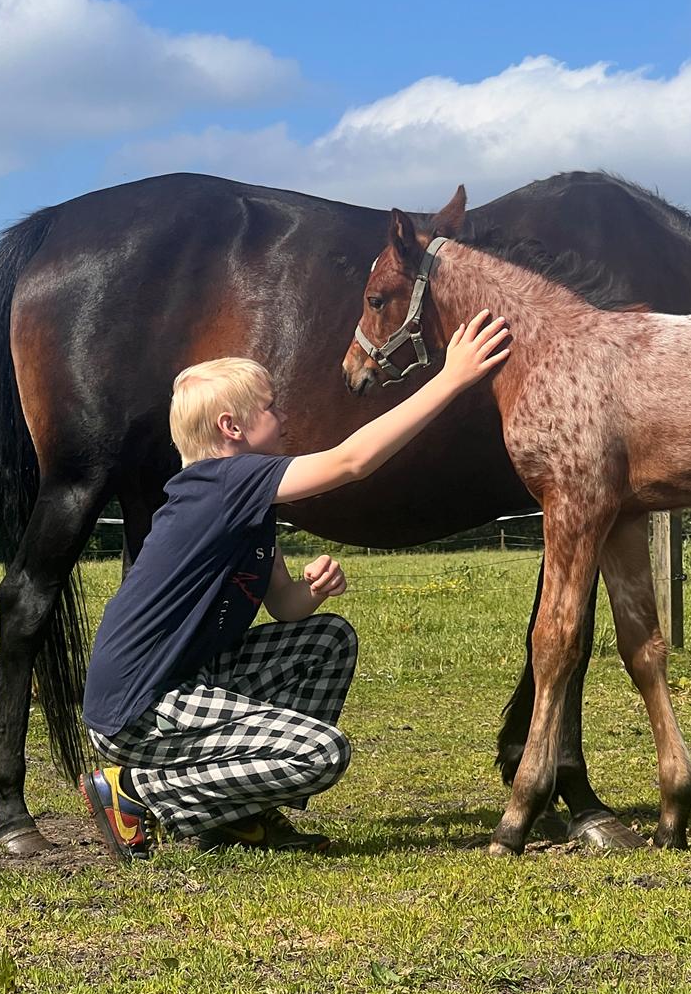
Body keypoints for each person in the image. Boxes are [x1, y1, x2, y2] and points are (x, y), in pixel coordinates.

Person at [79, 308, 511, 858]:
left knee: (327, 640)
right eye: (269, 408)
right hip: (141, 709)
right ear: (231, 428)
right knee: (319, 754)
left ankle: (238, 813)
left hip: (182, 682)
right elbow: (351, 461)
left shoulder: (239, 500)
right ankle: (137, 791)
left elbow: (284, 606)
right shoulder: (225, 481)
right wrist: (450, 377)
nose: (282, 417)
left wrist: (313, 591)